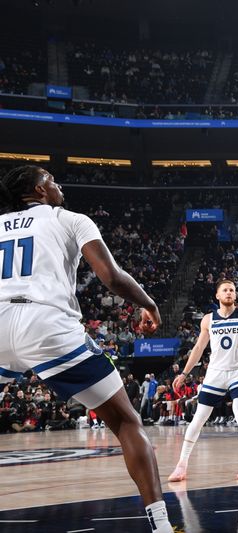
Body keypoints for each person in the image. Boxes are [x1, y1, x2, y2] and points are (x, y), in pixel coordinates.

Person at [0, 166, 172, 532]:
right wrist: (150, 303)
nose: (58, 184)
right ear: (38, 190)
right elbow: (110, 276)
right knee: (126, 421)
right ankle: (160, 524)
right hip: (46, 323)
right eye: (51, 179)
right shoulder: (69, 219)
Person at [168, 280, 238, 482]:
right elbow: (198, 348)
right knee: (198, 418)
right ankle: (181, 465)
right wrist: (184, 373)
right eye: (225, 290)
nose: (229, 292)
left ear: (235, 295)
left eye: (232, 290)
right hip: (215, 373)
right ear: (217, 295)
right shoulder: (208, 320)